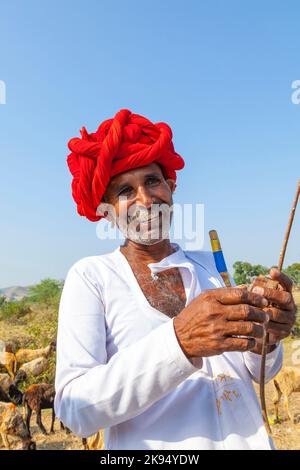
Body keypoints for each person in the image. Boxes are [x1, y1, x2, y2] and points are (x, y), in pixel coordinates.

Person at [54, 109, 296, 450]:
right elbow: (74, 409)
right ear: (107, 211)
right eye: (125, 190)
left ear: (170, 187)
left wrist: (267, 338)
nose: (145, 199)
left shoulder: (212, 269)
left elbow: (257, 374)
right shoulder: (92, 278)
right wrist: (180, 342)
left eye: (152, 181)